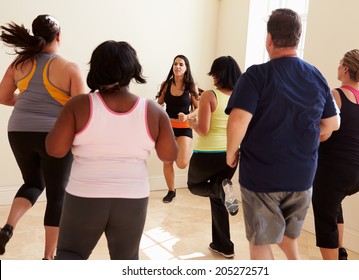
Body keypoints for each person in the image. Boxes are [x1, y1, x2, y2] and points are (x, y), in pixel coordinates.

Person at [46, 40, 178, 260]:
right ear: (132, 70)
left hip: (85, 194)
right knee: (126, 261)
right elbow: (168, 155)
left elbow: (55, 150)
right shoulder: (153, 111)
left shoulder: (78, 105)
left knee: (70, 256)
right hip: (132, 196)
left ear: (96, 68)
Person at [225, 8, 340, 260]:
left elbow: (238, 121)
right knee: (289, 236)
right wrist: (306, 134)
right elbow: (333, 124)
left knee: (260, 242)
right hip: (302, 178)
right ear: (298, 38)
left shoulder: (256, 75)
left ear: (269, 39)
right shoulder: (316, 76)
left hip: (263, 177)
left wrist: (231, 153)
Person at [0, 15, 85, 259]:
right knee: (57, 194)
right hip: (53, 135)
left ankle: (7, 229)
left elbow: (4, 96)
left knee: (33, 183)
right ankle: (49, 258)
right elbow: (80, 110)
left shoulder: (20, 64)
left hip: (18, 132)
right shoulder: (68, 67)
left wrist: (27, 101)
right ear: (58, 37)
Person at [312, 49, 359, 260]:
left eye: (339, 63)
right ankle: (341, 251)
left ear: (344, 68)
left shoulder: (336, 95)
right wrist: (355, 142)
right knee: (334, 203)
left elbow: (322, 132)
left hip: (336, 171)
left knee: (324, 217)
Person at [187, 56, 242, 258]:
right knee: (218, 198)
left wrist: (190, 123)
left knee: (194, 186)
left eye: (214, 73)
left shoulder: (210, 95)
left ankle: (221, 187)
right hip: (231, 154)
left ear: (218, 74)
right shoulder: (241, 95)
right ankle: (224, 245)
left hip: (207, 154)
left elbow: (203, 129)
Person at [156, 55, 199, 203]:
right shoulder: (166, 85)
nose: (178, 66)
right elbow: (159, 103)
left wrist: (187, 116)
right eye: (175, 64)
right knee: (167, 162)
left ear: (186, 68)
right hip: (168, 129)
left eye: (181, 64)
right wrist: (160, 113)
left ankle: (176, 152)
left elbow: (198, 109)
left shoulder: (191, 87)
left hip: (184, 128)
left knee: (181, 164)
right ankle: (171, 191)